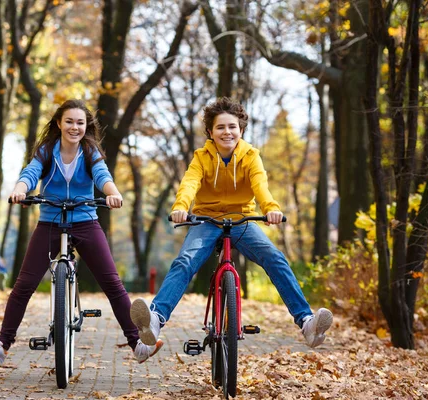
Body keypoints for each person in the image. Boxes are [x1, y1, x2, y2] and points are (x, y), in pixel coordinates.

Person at [131, 97, 332, 350]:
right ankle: (155, 319)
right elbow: (189, 184)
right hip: (206, 220)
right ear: (210, 132)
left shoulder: (251, 157)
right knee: (185, 261)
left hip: (242, 220)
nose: (227, 132)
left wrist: (271, 210)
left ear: (241, 130)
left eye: (232, 127)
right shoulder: (201, 158)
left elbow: (261, 187)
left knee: (275, 257)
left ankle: (307, 323)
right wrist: (180, 207)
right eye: (220, 127)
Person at [0, 99, 163, 366]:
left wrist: (113, 194)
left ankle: (137, 345)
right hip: (51, 221)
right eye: (69, 121)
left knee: (112, 284)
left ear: (86, 127)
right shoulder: (46, 150)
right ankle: (2, 345)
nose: (74, 127)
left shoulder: (89, 152)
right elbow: (31, 173)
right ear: (58, 123)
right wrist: (20, 189)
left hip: (85, 220)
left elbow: (102, 176)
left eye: (80, 122)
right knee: (24, 285)